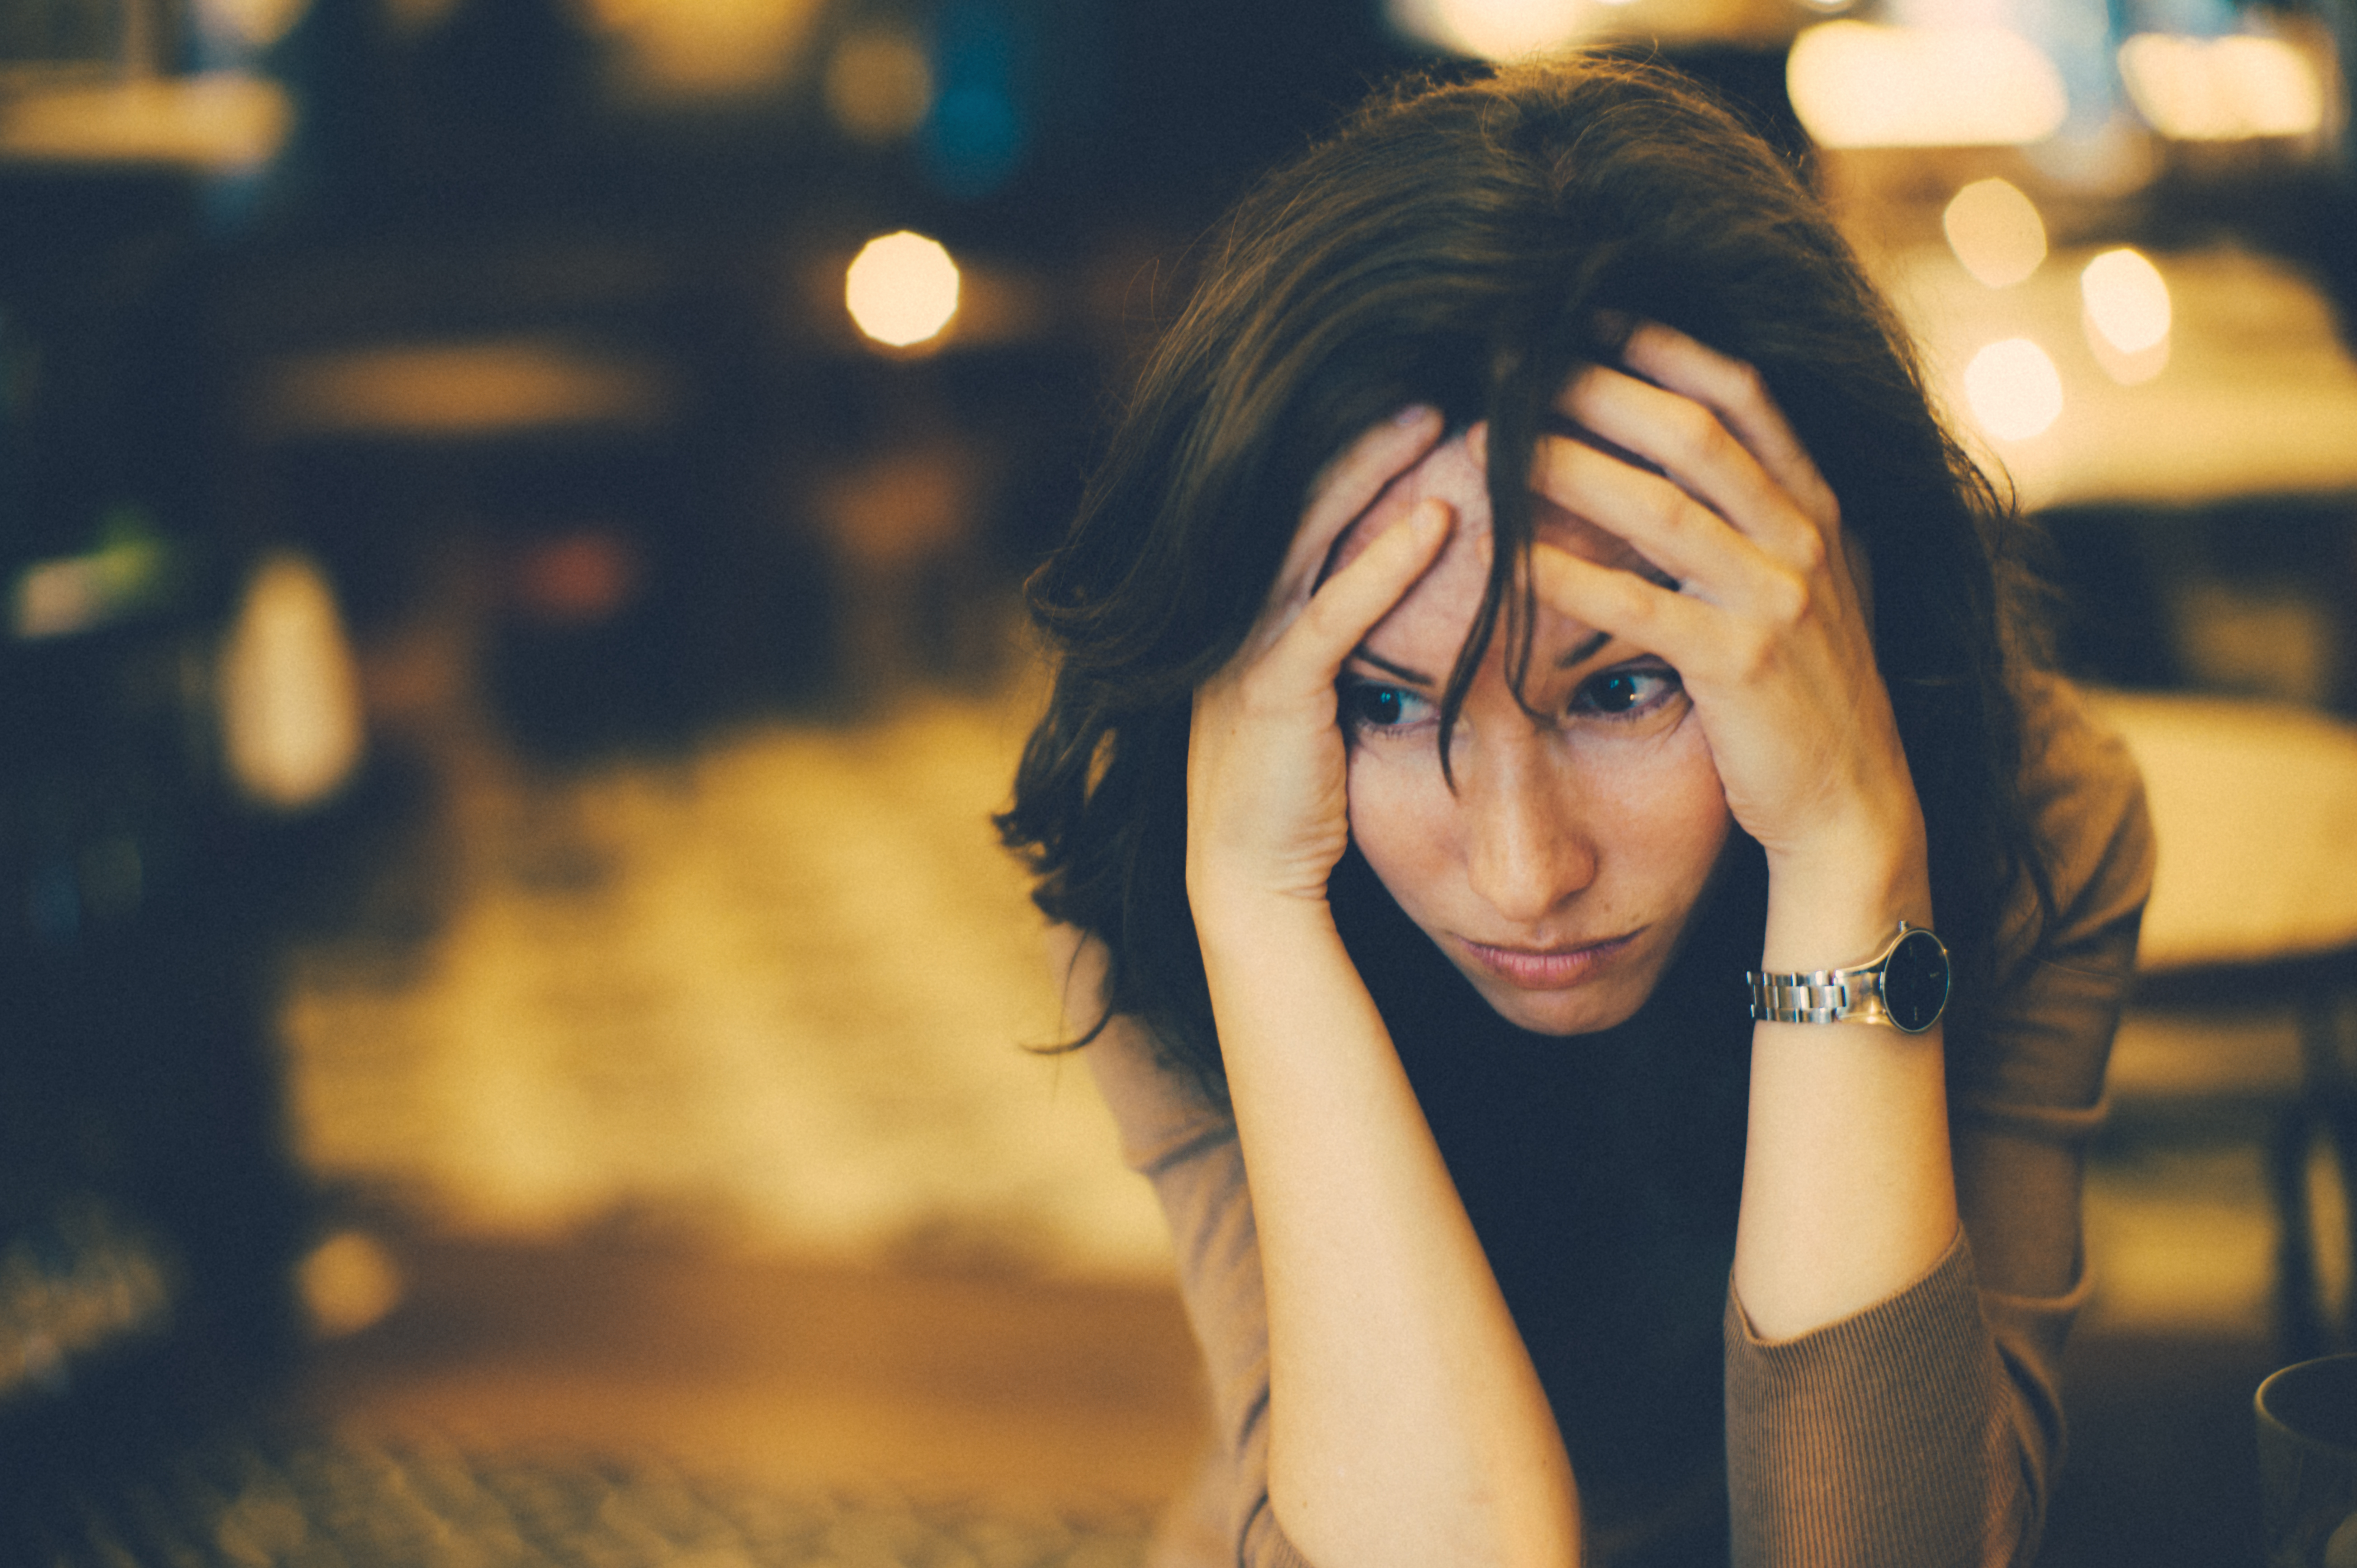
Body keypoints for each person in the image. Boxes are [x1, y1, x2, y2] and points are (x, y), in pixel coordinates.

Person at [998, 52, 2152, 1568]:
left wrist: (1847, 856)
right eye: (1386, 703)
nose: (1523, 869)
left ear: (1811, 619)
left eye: (1621, 690)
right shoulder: (1173, 874)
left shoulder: (2031, 815)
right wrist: (1261, 915)